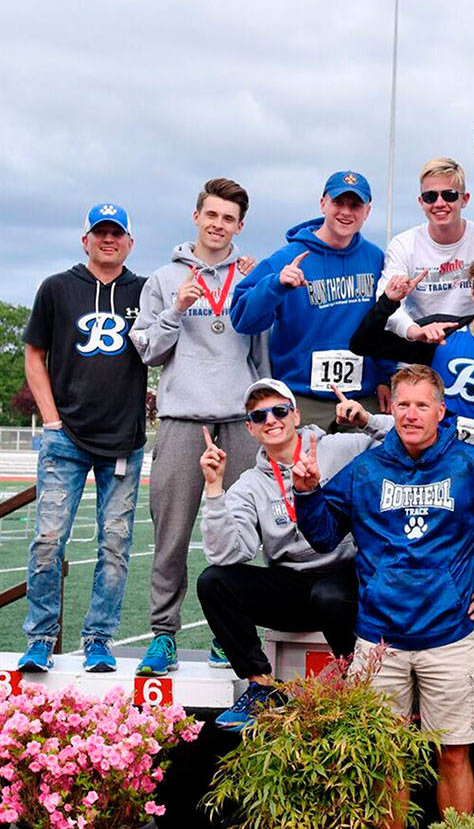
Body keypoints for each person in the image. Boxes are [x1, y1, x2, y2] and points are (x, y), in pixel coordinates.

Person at [294, 365, 474, 816]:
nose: (411, 415)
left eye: (422, 405)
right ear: (389, 408)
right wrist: (308, 492)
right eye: (403, 405)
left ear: (441, 410)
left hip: (449, 637)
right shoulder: (366, 469)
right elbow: (322, 536)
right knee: (386, 758)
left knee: (453, 755)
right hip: (380, 641)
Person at [129, 178, 267, 677]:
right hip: (182, 421)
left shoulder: (251, 276)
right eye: (211, 214)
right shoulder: (164, 279)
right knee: (171, 534)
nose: (218, 224)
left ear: (239, 226)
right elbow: (147, 349)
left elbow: (261, 356)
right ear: (196, 217)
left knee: (240, 534)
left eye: (228, 218)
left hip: (237, 420)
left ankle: (225, 635)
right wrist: (177, 310)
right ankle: (163, 634)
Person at [197, 378, 390, 730]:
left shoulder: (340, 447)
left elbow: (402, 440)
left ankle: (357, 684)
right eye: (259, 416)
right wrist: (214, 489)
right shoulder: (249, 485)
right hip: (293, 586)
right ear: (250, 429)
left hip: (347, 577)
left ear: (296, 415)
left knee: (329, 593)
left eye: (279, 410)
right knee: (213, 582)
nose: (270, 420)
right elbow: (226, 555)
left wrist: (367, 420)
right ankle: (261, 687)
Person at [19, 203, 148, 673]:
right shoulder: (56, 288)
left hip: (124, 440)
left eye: (117, 233)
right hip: (66, 437)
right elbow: (35, 355)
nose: (108, 240)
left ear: (130, 241)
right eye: (100, 232)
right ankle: (40, 637)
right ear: (86, 239)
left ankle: (99, 638)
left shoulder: (144, 290)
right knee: (48, 541)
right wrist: (50, 419)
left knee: (114, 546)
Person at [230, 171, 395, 430]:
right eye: (338, 203)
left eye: (355, 205)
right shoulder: (287, 257)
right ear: (323, 204)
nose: (346, 212)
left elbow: (383, 321)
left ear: (368, 211)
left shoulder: (375, 258)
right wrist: (276, 285)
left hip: (362, 399)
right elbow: (243, 319)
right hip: (303, 399)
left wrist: (386, 376)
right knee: (302, 470)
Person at [350, 251, 474, 448]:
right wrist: (388, 302)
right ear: (472, 292)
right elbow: (362, 344)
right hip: (426, 448)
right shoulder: (441, 332)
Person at [378, 157, 474, 341]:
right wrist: (414, 331)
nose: (439, 203)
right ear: (421, 201)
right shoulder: (403, 244)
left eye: (449, 195)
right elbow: (386, 301)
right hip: (422, 343)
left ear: (464, 199)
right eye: (430, 196)